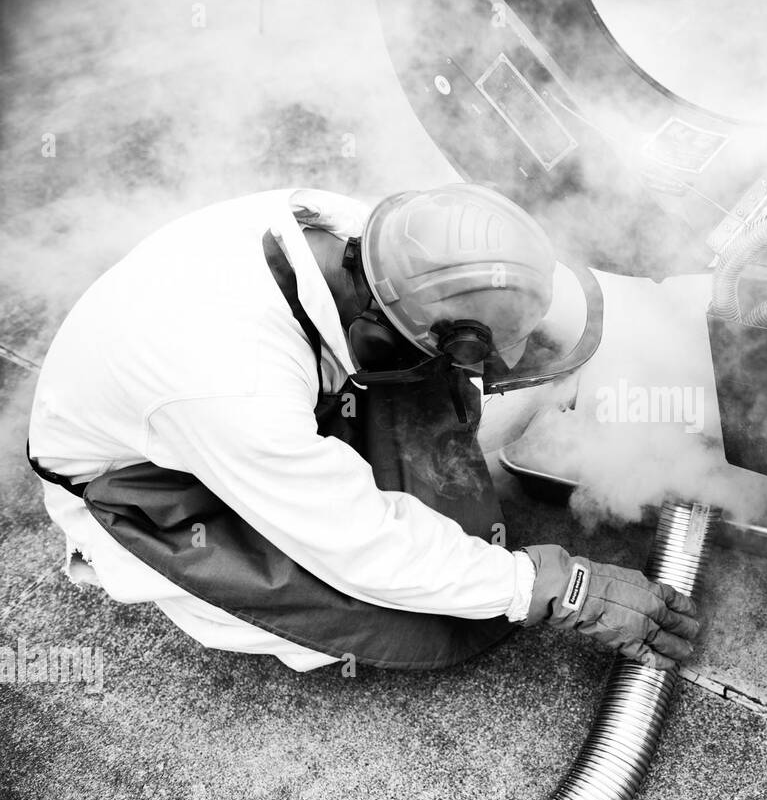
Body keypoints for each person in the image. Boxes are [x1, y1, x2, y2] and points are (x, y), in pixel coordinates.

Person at [26, 184, 700, 672]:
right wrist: (559, 590)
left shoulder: (370, 235)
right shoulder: (234, 384)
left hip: (231, 403)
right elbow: (361, 547)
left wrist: (671, 325)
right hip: (149, 481)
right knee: (415, 616)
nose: (504, 370)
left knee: (452, 534)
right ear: (376, 342)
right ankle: (166, 568)